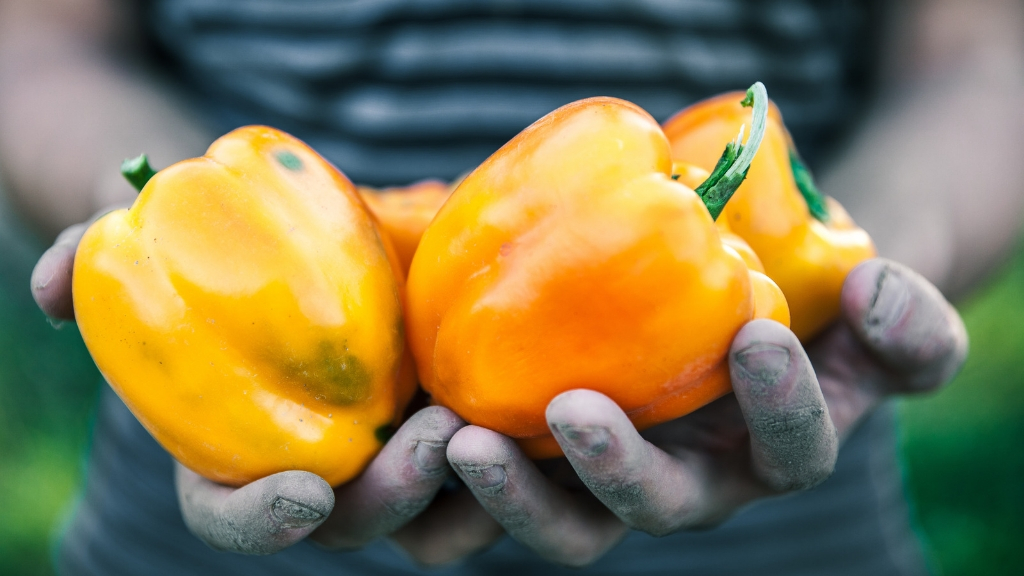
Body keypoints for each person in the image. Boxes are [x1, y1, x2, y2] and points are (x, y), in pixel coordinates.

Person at [1, 0, 1020, 574]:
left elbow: (987, 54)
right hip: (196, 546)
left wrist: (867, 278)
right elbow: (38, 42)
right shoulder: (648, 171)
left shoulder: (734, 278)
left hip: (773, 521)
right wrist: (177, 225)